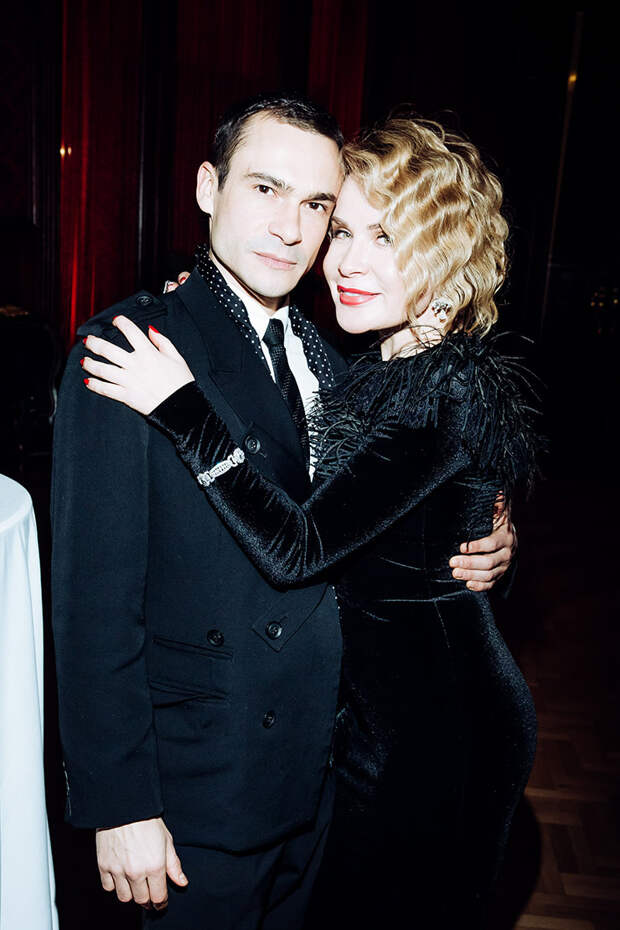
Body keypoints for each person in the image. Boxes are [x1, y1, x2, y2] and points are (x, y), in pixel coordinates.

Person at [52, 95, 515, 930]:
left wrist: (485, 527)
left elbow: (386, 513)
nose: (291, 230)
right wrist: (119, 802)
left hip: (333, 771)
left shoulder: (345, 352)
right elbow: (92, 603)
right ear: (208, 188)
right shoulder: (135, 348)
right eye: (265, 189)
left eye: (316, 207)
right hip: (203, 794)